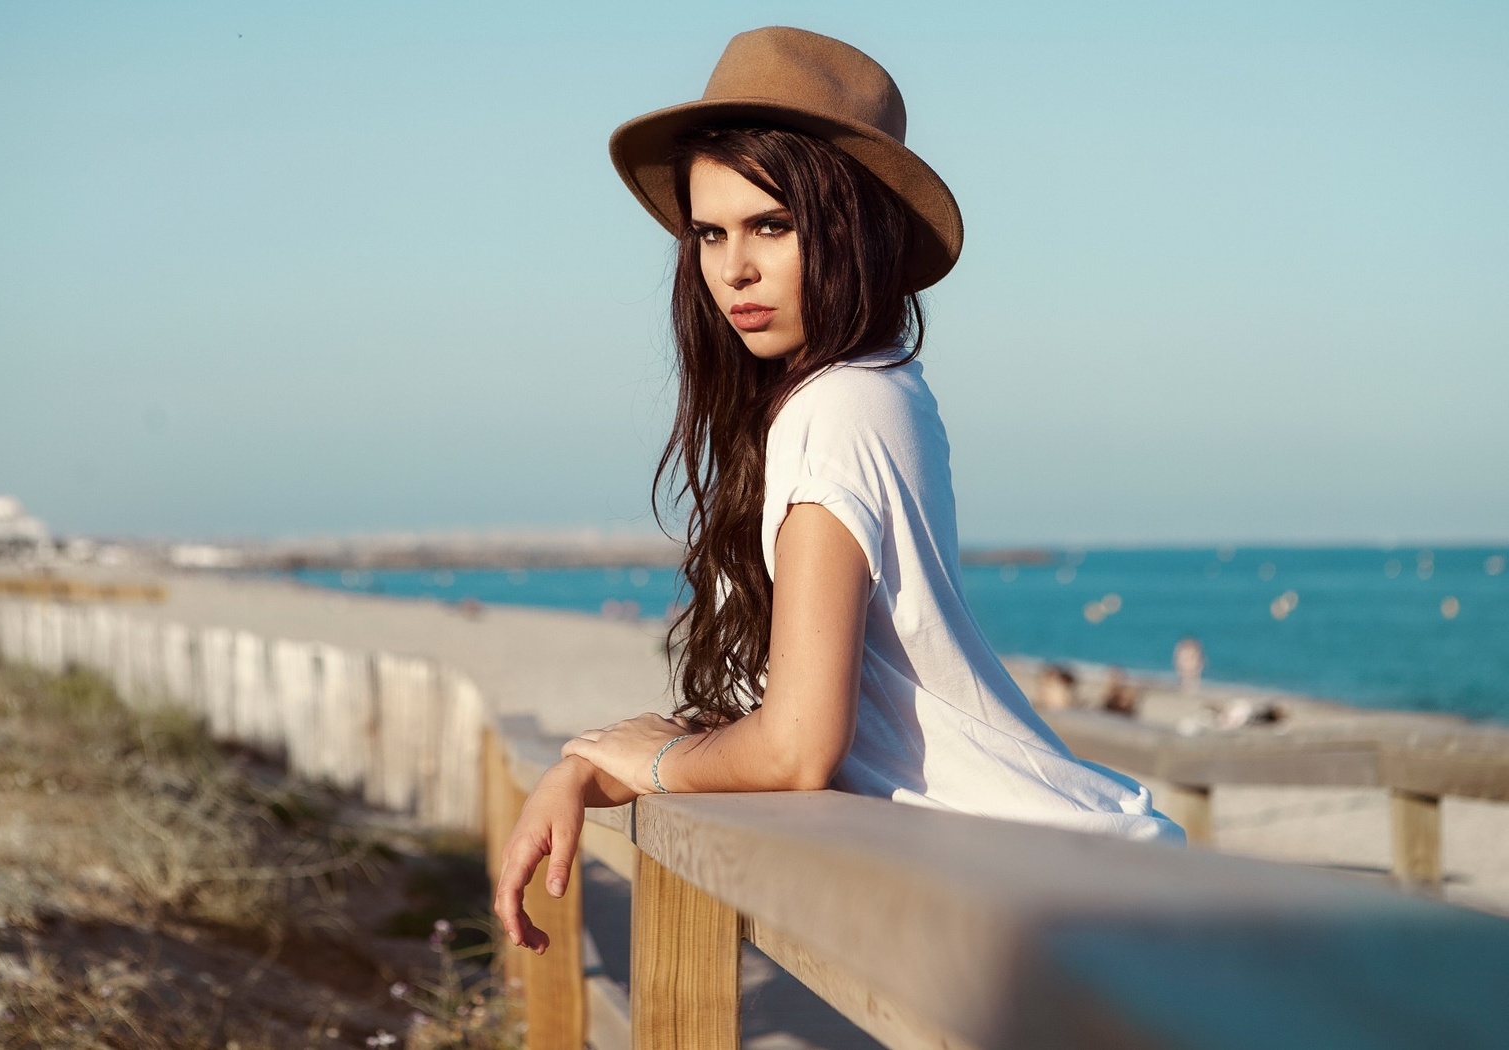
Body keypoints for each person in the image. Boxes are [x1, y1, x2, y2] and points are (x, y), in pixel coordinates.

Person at [494, 26, 1183, 954]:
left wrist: (644, 762)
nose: (732, 268)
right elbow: (806, 705)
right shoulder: (874, 388)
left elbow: (798, 745)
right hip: (1058, 889)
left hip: (1074, 909)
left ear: (850, 223)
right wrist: (591, 769)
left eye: (771, 226)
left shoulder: (840, 407)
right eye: (709, 233)